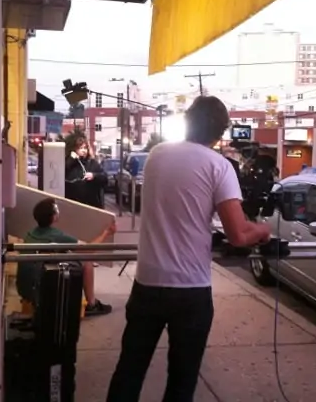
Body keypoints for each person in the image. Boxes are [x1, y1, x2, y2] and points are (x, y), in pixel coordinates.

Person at [106, 95, 271, 401]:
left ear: (187, 122)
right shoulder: (219, 166)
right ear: (221, 132)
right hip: (190, 290)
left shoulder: (156, 154)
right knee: (181, 381)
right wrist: (262, 230)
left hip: (148, 283)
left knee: (129, 371)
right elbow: (237, 234)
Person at [16, 197, 113, 317]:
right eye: (56, 210)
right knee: (87, 261)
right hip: (39, 292)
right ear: (53, 217)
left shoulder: (30, 233)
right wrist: (106, 233)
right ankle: (92, 304)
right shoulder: (57, 236)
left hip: (24, 290)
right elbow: (89, 249)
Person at [65, 137, 107, 209]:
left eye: (85, 148)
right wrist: (72, 159)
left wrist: (94, 176)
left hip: (90, 204)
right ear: (75, 150)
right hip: (73, 203)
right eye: (80, 148)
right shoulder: (70, 162)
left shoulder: (92, 163)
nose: (83, 151)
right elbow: (63, 171)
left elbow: (104, 178)